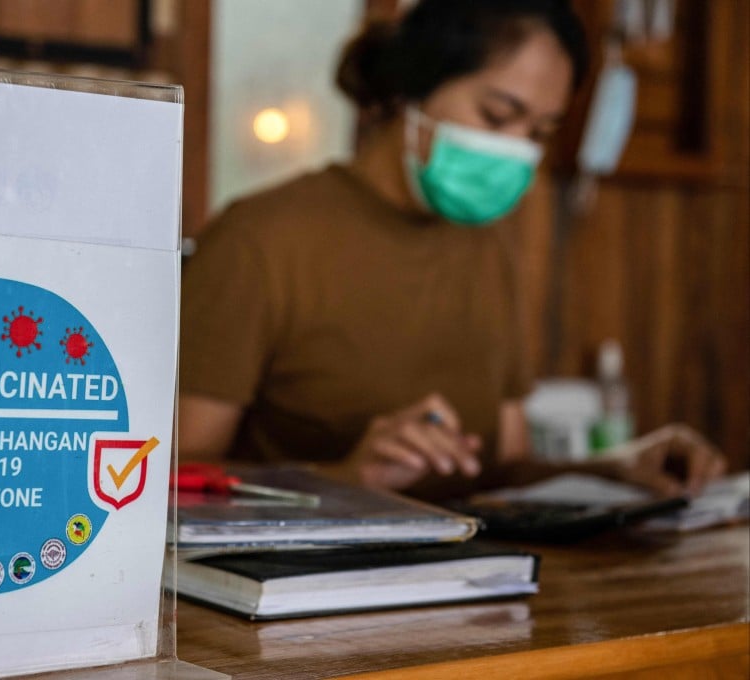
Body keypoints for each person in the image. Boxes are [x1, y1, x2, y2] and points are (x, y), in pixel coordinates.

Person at [179, 0, 725, 501]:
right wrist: (348, 479)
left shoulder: (489, 247)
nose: (517, 148)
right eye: (497, 114)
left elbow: (503, 467)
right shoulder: (259, 239)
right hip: (295, 590)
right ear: (411, 90)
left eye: (540, 130)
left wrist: (622, 466)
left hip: (475, 584)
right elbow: (176, 475)